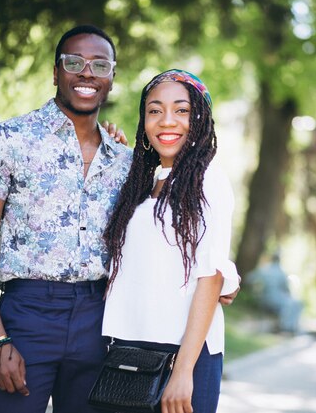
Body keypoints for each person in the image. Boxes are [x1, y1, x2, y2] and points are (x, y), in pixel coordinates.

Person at [0, 25, 238, 413]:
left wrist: (224, 271)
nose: (87, 72)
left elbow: (180, 234)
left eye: (99, 64)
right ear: (56, 72)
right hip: (28, 315)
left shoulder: (125, 163)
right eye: (74, 62)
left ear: (111, 78)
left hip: (98, 323)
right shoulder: (8, 140)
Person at [101, 69, 239, 413]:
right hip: (128, 350)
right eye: (154, 110)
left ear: (200, 119)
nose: (167, 121)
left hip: (184, 354)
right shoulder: (140, 185)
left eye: (181, 110)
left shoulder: (208, 180)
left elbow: (211, 275)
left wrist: (183, 372)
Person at [248, 252, 303, 333]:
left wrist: (255, 291)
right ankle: (286, 327)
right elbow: (286, 289)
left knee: (293, 303)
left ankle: (287, 327)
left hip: (263, 299)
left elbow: (249, 279)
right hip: (275, 301)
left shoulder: (264, 269)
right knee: (296, 303)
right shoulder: (281, 272)